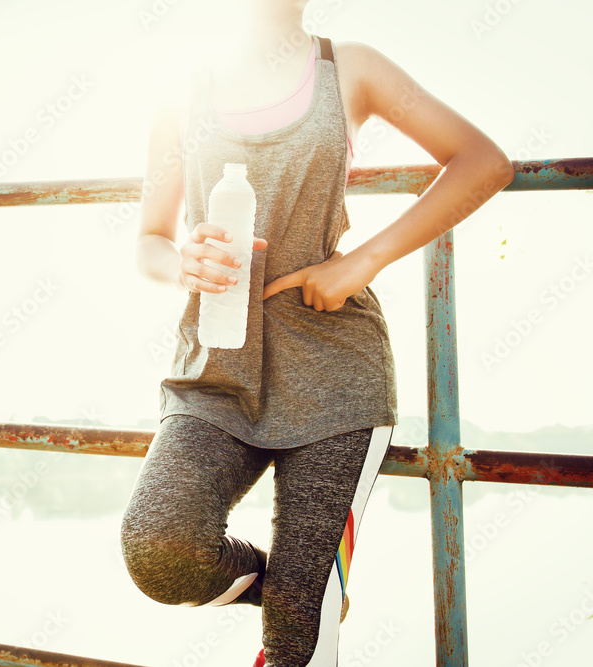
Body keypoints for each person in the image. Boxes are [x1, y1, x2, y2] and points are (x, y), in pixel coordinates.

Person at [119, 1, 514, 665]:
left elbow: (484, 162)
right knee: (158, 548)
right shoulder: (180, 88)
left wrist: (361, 260)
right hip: (212, 377)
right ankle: (294, 587)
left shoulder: (349, 67)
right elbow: (149, 241)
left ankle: (303, 598)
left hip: (336, 378)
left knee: (297, 638)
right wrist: (182, 258)